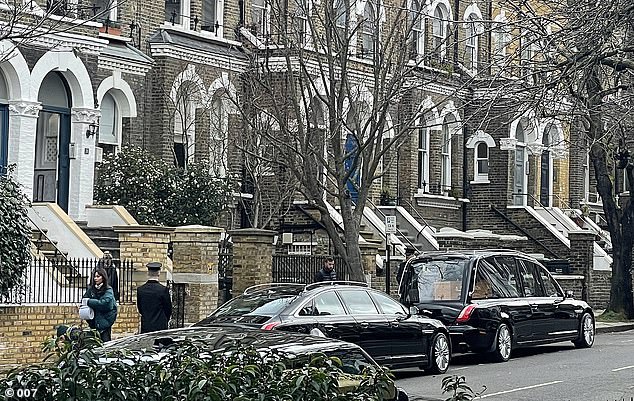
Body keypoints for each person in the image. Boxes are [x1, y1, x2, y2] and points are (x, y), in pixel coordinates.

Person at [82, 267, 118, 342]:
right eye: (95, 276)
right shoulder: (91, 289)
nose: (95, 278)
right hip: (93, 322)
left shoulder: (108, 290)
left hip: (105, 322)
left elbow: (104, 303)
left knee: (105, 344)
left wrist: (89, 301)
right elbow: (84, 300)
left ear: (103, 277)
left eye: (98, 276)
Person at [136, 262, 172, 333]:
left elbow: (140, 309)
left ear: (148, 273)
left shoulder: (141, 290)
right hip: (160, 326)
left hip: (146, 326)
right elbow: (168, 309)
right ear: (159, 273)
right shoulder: (163, 290)